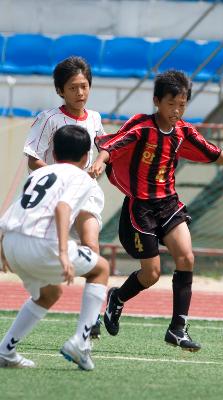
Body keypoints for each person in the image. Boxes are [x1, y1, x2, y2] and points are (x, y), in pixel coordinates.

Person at [90, 70, 223, 352]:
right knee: (151, 274)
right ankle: (117, 299)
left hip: (169, 203)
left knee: (186, 257)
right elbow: (114, 144)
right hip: (141, 206)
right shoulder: (142, 127)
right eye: (172, 104)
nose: (177, 110)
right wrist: (100, 160)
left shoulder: (183, 131)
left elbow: (211, 151)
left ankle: (177, 328)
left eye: (182, 104)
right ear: (157, 101)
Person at [0, 125, 109, 370]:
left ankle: (5, 350)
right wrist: (63, 252)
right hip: (41, 244)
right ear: (85, 157)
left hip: (12, 242)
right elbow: (63, 207)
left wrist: (2, 246)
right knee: (100, 268)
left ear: (55, 153)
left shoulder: (39, 173)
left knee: (49, 294)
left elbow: (18, 208)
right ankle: (81, 343)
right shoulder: (81, 177)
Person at [23, 56, 105, 339]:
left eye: (84, 86)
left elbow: (104, 146)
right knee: (46, 278)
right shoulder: (49, 119)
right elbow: (32, 158)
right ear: (60, 91)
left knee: (92, 245)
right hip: (54, 194)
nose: (79, 93)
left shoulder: (94, 118)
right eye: (73, 88)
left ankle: (91, 319)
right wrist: (61, 176)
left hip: (86, 193)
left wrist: (101, 162)